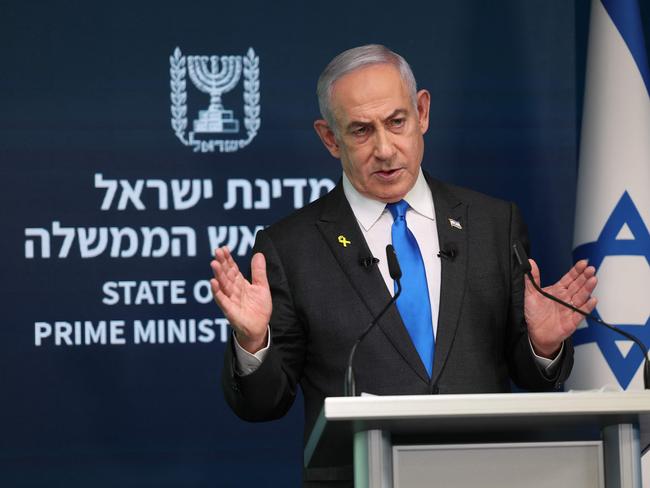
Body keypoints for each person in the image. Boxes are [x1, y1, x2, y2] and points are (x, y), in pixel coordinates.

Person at [210, 45, 597, 485]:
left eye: (397, 122)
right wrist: (254, 341)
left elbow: (532, 379)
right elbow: (263, 405)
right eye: (360, 131)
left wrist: (541, 347)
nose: (385, 148)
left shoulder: (492, 223)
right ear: (330, 138)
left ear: (422, 112)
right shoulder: (291, 247)